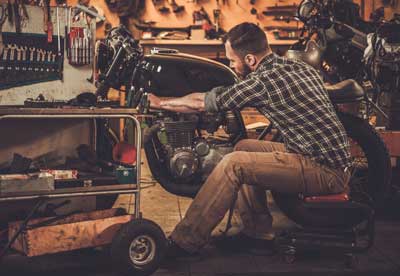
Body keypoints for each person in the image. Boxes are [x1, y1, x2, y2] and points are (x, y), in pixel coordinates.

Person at [148, 22, 352, 257]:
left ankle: (184, 241)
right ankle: (257, 233)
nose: (230, 65)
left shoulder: (263, 81)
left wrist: (161, 103)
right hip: (316, 154)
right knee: (244, 146)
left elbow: (203, 102)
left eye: (232, 60)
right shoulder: (296, 66)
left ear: (251, 60)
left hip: (325, 170)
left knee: (234, 164)